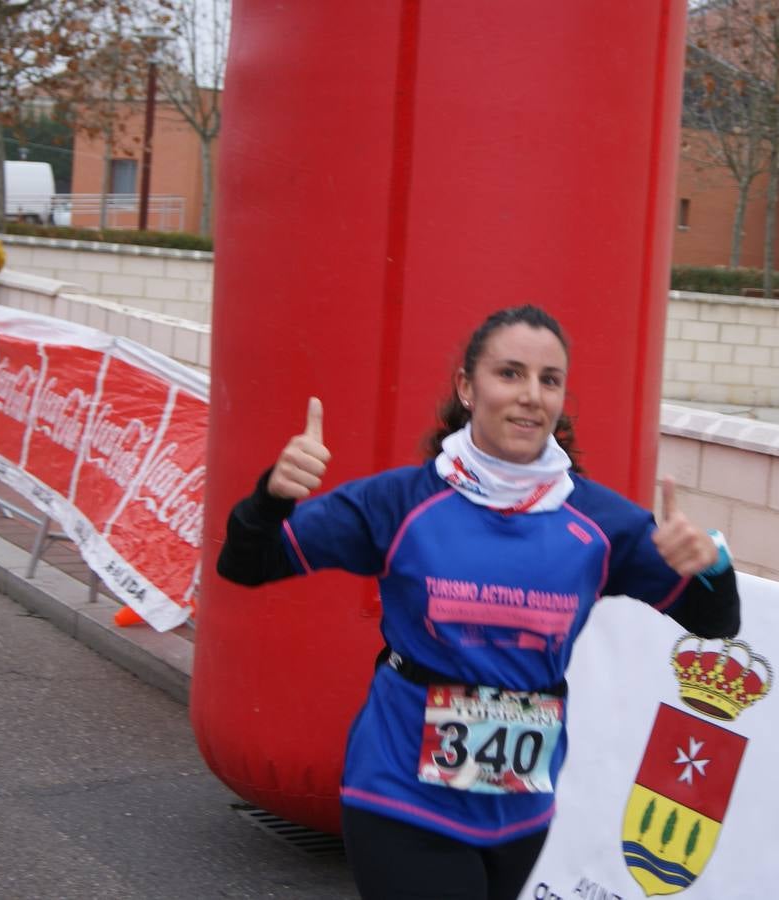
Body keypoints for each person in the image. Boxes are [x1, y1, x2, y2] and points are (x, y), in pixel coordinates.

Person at [217, 305, 740, 900]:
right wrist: (272, 496)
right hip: (401, 794)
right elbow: (246, 563)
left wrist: (711, 564)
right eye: (510, 374)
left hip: (520, 810)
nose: (531, 396)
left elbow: (716, 624)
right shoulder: (400, 503)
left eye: (549, 380)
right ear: (467, 388)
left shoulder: (599, 523)